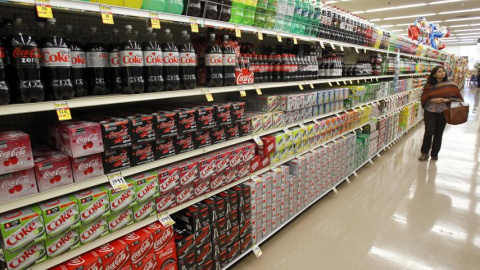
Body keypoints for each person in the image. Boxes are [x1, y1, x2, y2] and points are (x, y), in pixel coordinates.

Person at [419, 66, 464, 161]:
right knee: (428, 131)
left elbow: (459, 99)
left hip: (443, 111)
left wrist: (446, 100)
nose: (442, 73)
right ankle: (424, 152)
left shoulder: (451, 86)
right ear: (434, 74)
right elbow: (424, 98)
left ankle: (434, 154)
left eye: (443, 71)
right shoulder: (429, 86)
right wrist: (432, 99)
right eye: (439, 71)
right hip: (430, 110)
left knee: (438, 133)